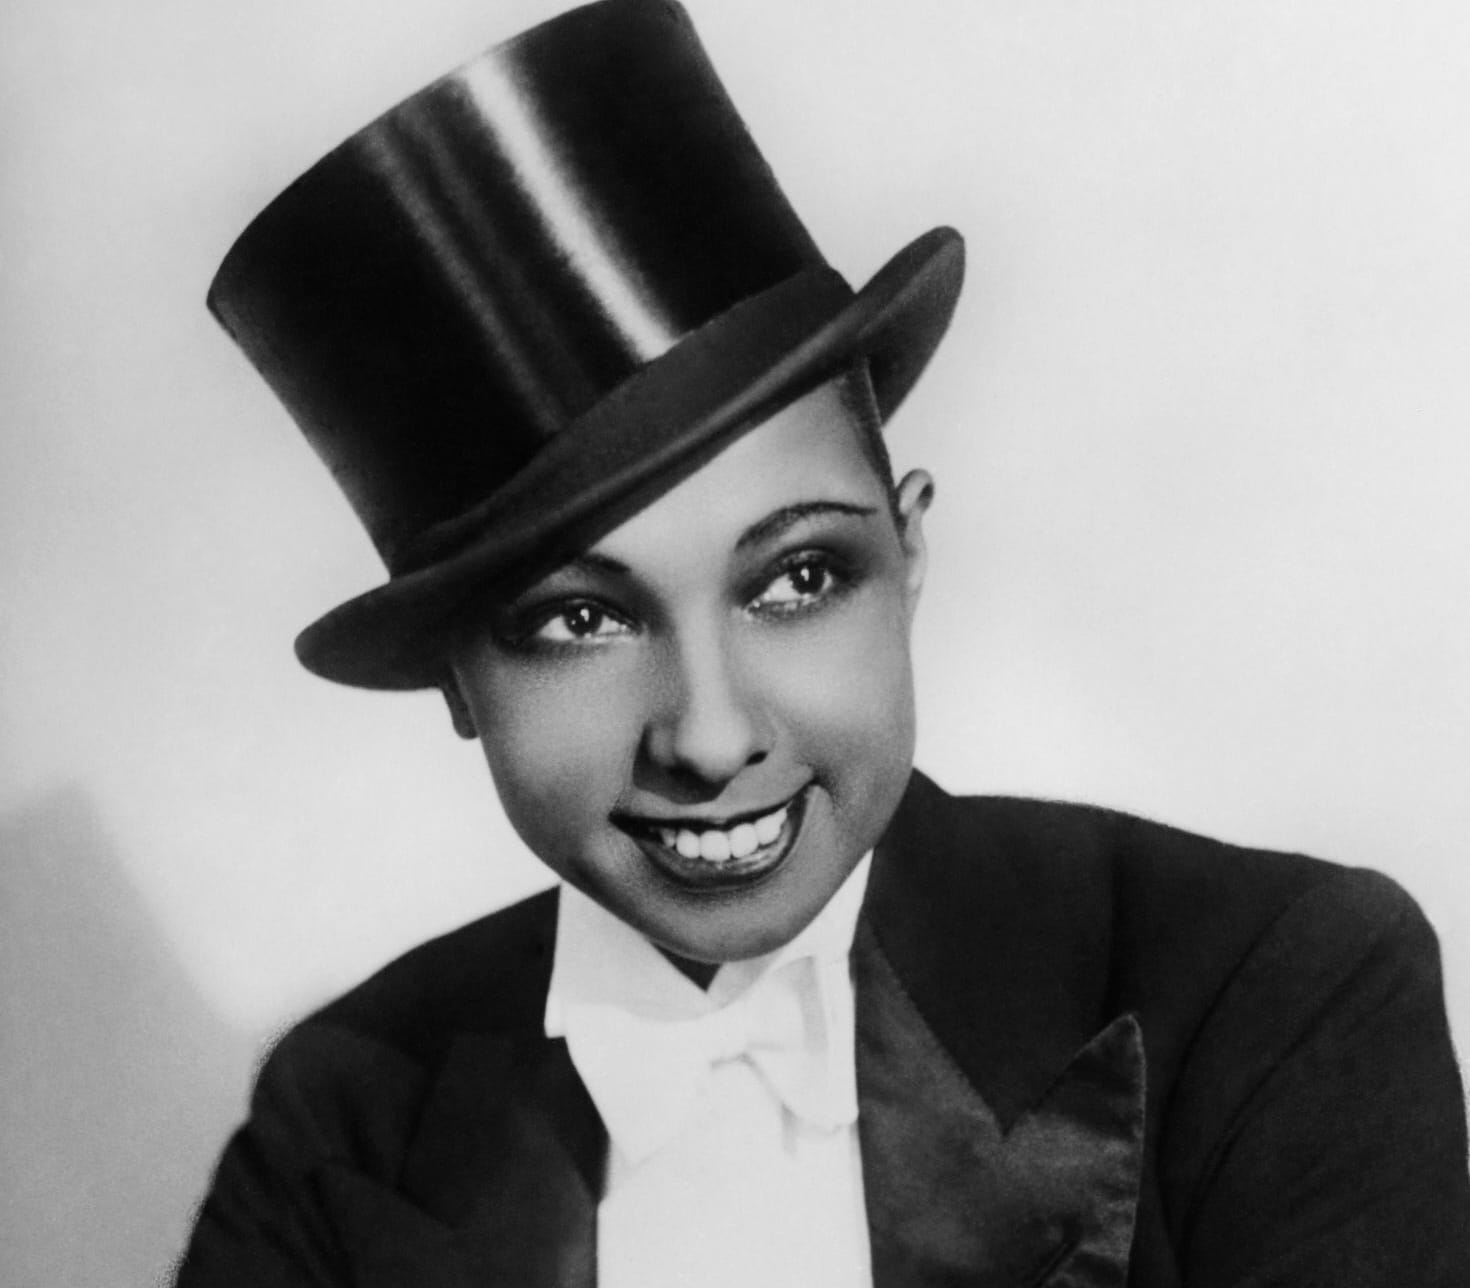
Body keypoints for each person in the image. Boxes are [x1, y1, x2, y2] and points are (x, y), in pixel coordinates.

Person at [175, 1, 1470, 1284]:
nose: (711, 733)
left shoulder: (1273, 992)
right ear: (459, 679)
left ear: (905, 556)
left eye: (797, 577)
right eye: (580, 618)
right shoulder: (342, 1122)